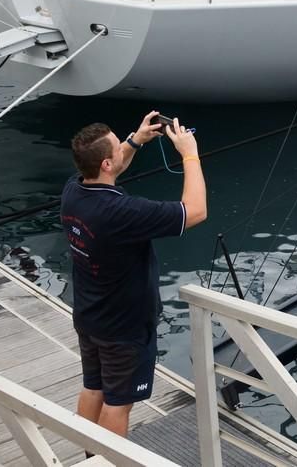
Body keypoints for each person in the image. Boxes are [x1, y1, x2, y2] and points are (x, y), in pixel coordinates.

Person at [61, 112, 206, 440]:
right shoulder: (121, 213)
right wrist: (189, 153)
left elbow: (114, 163)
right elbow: (195, 210)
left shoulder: (74, 190)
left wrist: (135, 140)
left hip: (89, 317)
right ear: (106, 165)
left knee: (93, 388)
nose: (122, 146)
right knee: (118, 404)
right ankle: (110, 462)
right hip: (124, 330)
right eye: (117, 146)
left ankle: (89, 461)